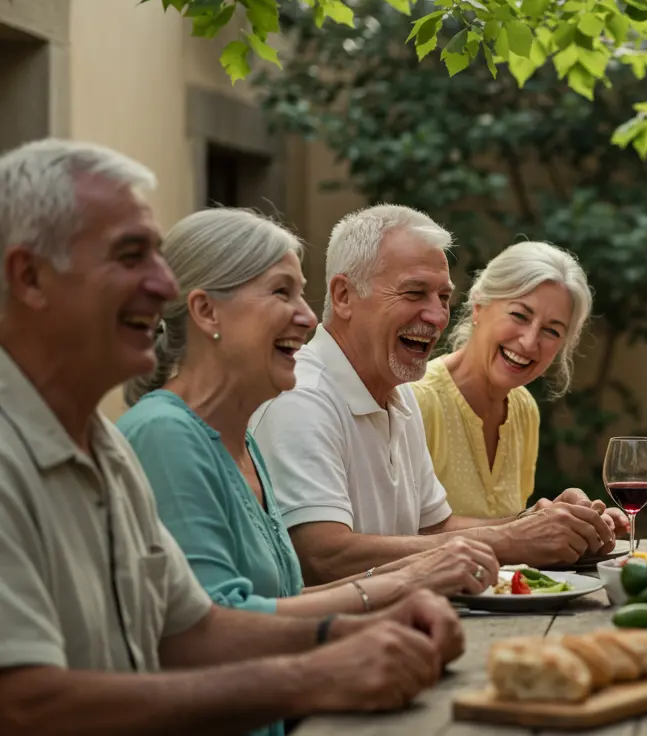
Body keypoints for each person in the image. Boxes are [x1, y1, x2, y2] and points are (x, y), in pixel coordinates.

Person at [0, 139, 461, 733]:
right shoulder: (115, 438)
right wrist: (316, 672)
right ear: (30, 277)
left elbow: (192, 630)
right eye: (130, 255)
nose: (162, 284)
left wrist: (362, 628)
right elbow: (22, 703)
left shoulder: (104, 447)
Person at [117, 209, 498, 655]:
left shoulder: (240, 442)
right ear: (207, 312)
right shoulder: (165, 434)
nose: (307, 317)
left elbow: (281, 600)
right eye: (282, 292)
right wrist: (405, 583)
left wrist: (410, 585)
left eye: (300, 294)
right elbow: (209, 629)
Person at [251, 206, 619, 584]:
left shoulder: (398, 394)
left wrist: (544, 524)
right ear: (344, 296)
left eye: (443, 297)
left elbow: (433, 528)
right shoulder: (302, 397)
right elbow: (320, 557)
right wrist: (511, 540)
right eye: (414, 292)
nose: (437, 316)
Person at [412, 241, 626, 531]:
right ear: (479, 307)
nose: (529, 341)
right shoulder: (417, 400)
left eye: (551, 330)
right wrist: (533, 524)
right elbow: (406, 531)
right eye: (519, 315)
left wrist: (572, 520)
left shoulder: (524, 409)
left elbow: (512, 529)